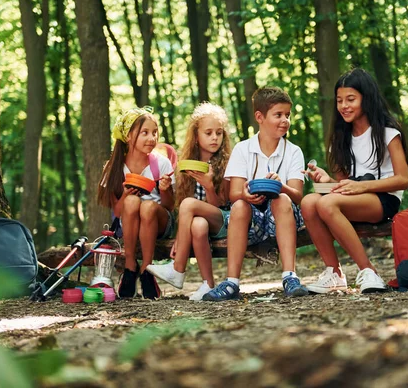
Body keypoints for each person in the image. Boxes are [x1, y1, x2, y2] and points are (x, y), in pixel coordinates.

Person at [301, 68, 408, 294]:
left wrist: (361, 186)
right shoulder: (341, 138)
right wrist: (327, 181)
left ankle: (369, 271)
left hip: (384, 199)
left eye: (351, 99)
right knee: (309, 202)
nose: (344, 106)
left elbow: (403, 179)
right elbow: (345, 185)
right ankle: (334, 273)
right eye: (339, 100)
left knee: (325, 203)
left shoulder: (388, 132)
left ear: (366, 99)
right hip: (357, 197)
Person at [202, 87, 309, 301]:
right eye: (278, 115)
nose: (285, 120)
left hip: (285, 216)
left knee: (282, 199)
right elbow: (234, 193)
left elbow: (298, 196)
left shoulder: (293, 151)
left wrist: (282, 186)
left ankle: (290, 276)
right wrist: (245, 194)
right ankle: (232, 282)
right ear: (260, 117)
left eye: (287, 115)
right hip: (251, 221)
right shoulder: (243, 149)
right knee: (239, 206)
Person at [147, 103, 232, 301]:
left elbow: (220, 205)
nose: (214, 138)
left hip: (226, 221)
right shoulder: (186, 164)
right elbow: (181, 209)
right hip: (202, 222)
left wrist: (209, 185)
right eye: (208, 133)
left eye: (219, 133)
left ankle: (178, 269)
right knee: (197, 224)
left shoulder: (228, 162)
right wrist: (181, 235)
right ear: (196, 136)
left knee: (188, 204)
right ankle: (208, 285)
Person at [97, 107, 175, 299]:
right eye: (145, 133)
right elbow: (117, 210)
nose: (151, 138)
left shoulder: (162, 163)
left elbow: (169, 206)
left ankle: (147, 269)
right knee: (131, 201)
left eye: (154, 133)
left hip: (158, 221)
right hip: (129, 222)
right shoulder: (114, 167)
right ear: (129, 136)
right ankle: (130, 267)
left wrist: (164, 189)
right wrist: (124, 195)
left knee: (148, 206)